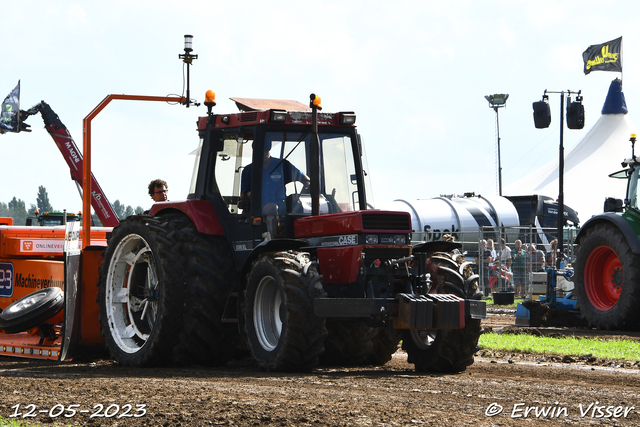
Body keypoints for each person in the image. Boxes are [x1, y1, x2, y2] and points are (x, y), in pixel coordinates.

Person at [240, 140, 310, 215]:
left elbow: (306, 180)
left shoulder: (283, 165)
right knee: (270, 208)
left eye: (266, 150)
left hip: (282, 210)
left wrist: (300, 197)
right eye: (261, 151)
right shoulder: (248, 170)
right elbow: (242, 195)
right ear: (255, 152)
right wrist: (250, 194)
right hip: (257, 211)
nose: (264, 153)